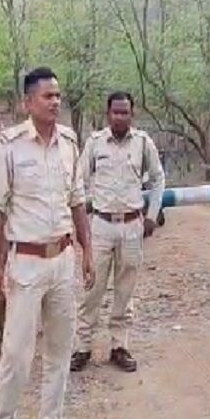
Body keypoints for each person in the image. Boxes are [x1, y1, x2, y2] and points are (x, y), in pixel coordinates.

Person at [0, 67, 95, 419]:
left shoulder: (69, 143)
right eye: (47, 96)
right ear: (27, 102)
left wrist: (87, 250)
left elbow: (77, 199)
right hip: (26, 263)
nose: (55, 102)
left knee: (60, 350)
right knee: (16, 353)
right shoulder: (10, 145)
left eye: (58, 95)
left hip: (62, 259)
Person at [71, 91, 165, 373]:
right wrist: (79, 218)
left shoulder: (143, 143)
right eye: (116, 112)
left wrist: (151, 215)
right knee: (93, 287)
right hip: (101, 225)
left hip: (132, 226)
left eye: (125, 112)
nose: (120, 117)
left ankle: (119, 347)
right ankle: (82, 347)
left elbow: (158, 178)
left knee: (125, 289)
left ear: (132, 115)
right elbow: (78, 180)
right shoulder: (95, 143)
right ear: (107, 114)